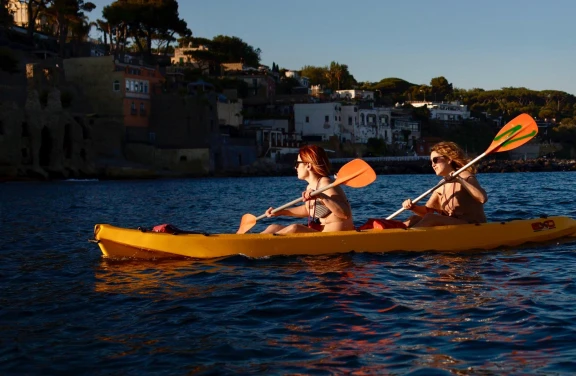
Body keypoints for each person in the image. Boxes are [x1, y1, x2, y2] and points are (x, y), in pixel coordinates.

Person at [261, 145, 354, 234]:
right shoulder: (310, 187)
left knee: (295, 228)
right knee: (272, 227)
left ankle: (264, 244)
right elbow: (308, 209)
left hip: (336, 237)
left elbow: (345, 214)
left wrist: (321, 196)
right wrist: (282, 212)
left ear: (308, 165)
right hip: (322, 233)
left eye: (297, 163)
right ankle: (254, 242)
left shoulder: (326, 184)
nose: (295, 167)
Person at [402, 141, 488, 227]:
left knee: (431, 218)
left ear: (449, 159)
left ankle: (407, 239)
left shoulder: (465, 175)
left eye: (435, 160)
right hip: (453, 227)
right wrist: (413, 207)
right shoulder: (441, 185)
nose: (433, 165)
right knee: (414, 219)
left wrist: (459, 180)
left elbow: (482, 198)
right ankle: (396, 234)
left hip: (473, 226)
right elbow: (428, 211)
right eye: (431, 162)